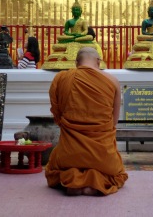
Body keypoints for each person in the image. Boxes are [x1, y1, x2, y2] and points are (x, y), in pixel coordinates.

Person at [45, 47, 128, 196]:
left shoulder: (63, 78)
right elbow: (113, 122)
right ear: (98, 61)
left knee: (55, 168)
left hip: (69, 155)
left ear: (77, 62)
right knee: (117, 173)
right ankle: (94, 184)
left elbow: (58, 116)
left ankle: (73, 182)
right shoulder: (112, 81)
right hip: (103, 157)